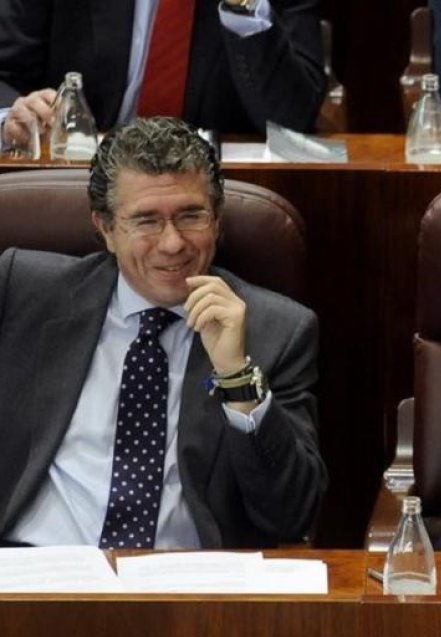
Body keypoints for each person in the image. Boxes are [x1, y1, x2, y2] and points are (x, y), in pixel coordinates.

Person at [0, 116, 324, 548]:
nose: (172, 243)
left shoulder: (277, 331)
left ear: (218, 219)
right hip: (33, 576)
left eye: (191, 215)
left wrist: (236, 375)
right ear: (106, 229)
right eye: (146, 221)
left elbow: (291, 515)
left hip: (182, 590)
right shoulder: (23, 289)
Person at [0, 0, 325, 148]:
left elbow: (291, 120)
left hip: (217, 196)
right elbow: (5, 75)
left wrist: (244, 5)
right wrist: (13, 116)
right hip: (77, 179)